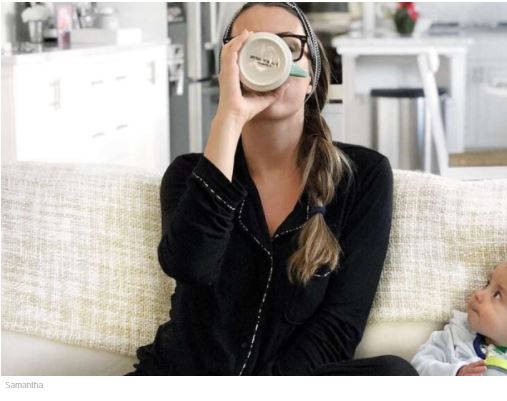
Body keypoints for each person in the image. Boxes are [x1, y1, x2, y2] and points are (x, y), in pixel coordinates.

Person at [126, 2, 416, 376]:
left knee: (394, 375)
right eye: (252, 47)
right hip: (187, 380)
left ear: (311, 76)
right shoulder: (188, 175)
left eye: (289, 44)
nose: (271, 57)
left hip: (291, 387)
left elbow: (340, 325)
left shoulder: (363, 175)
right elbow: (190, 265)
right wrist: (229, 116)